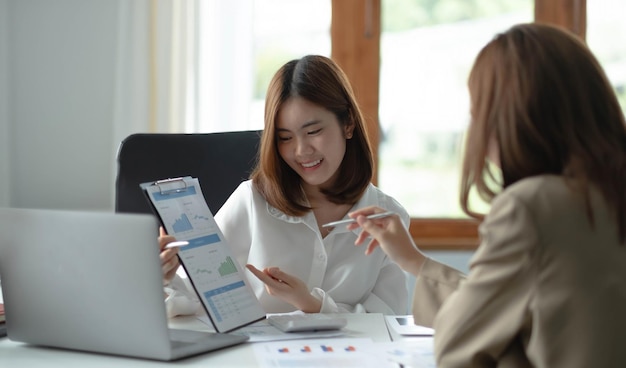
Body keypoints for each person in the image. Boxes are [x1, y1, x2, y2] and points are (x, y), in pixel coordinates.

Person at [348, 23, 626, 367]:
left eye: (478, 110)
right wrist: (416, 263)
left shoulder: (532, 207)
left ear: (512, 117)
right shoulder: (604, 195)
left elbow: (459, 347)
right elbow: (519, 302)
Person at [160, 55, 410, 316]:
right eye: (285, 137)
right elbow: (193, 297)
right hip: (254, 355)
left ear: (348, 123)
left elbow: (389, 322)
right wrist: (165, 277)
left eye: (313, 132)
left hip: (351, 357)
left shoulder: (388, 217)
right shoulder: (251, 201)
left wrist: (313, 305)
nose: (301, 151)